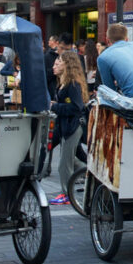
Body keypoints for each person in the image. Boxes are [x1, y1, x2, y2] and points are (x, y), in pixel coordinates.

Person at [50, 51, 88, 205]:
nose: (54, 66)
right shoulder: (64, 83)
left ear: (67, 64)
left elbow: (76, 107)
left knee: (64, 164)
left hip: (73, 126)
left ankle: (66, 194)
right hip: (66, 126)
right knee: (72, 159)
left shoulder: (72, 84)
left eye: (58, 63)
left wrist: (55, 107)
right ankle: (90, 172)